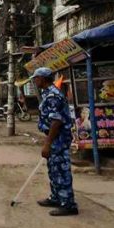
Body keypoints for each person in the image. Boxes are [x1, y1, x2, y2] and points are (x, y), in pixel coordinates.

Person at [31, 67, 78, 216]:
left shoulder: (53, 95)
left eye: (36, 78)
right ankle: (57, 197)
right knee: (53, 169)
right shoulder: (47, 93)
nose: (34, 80)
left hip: (58, 138)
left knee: (61, 169)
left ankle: (68, 204)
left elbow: (56, 121)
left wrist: (48, 143)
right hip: (53, 137)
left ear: (43, 79)